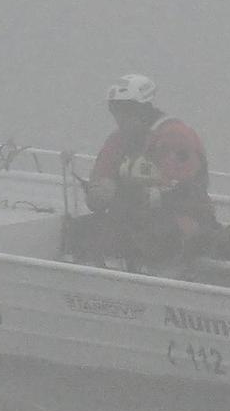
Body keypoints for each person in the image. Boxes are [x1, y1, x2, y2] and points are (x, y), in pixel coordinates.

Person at [73, 74, 216, 267]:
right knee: (79, 232)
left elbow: (186, 191)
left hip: (181, 218)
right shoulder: (118, 141)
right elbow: (100, 180)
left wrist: (140, 196)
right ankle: (93, 284)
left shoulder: (175, 137)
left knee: (157, 237)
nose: (120, 116)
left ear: (144, 108)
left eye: (126, 109)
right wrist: (99, 191)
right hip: (132, 218)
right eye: (115, 109)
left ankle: (156, 284)